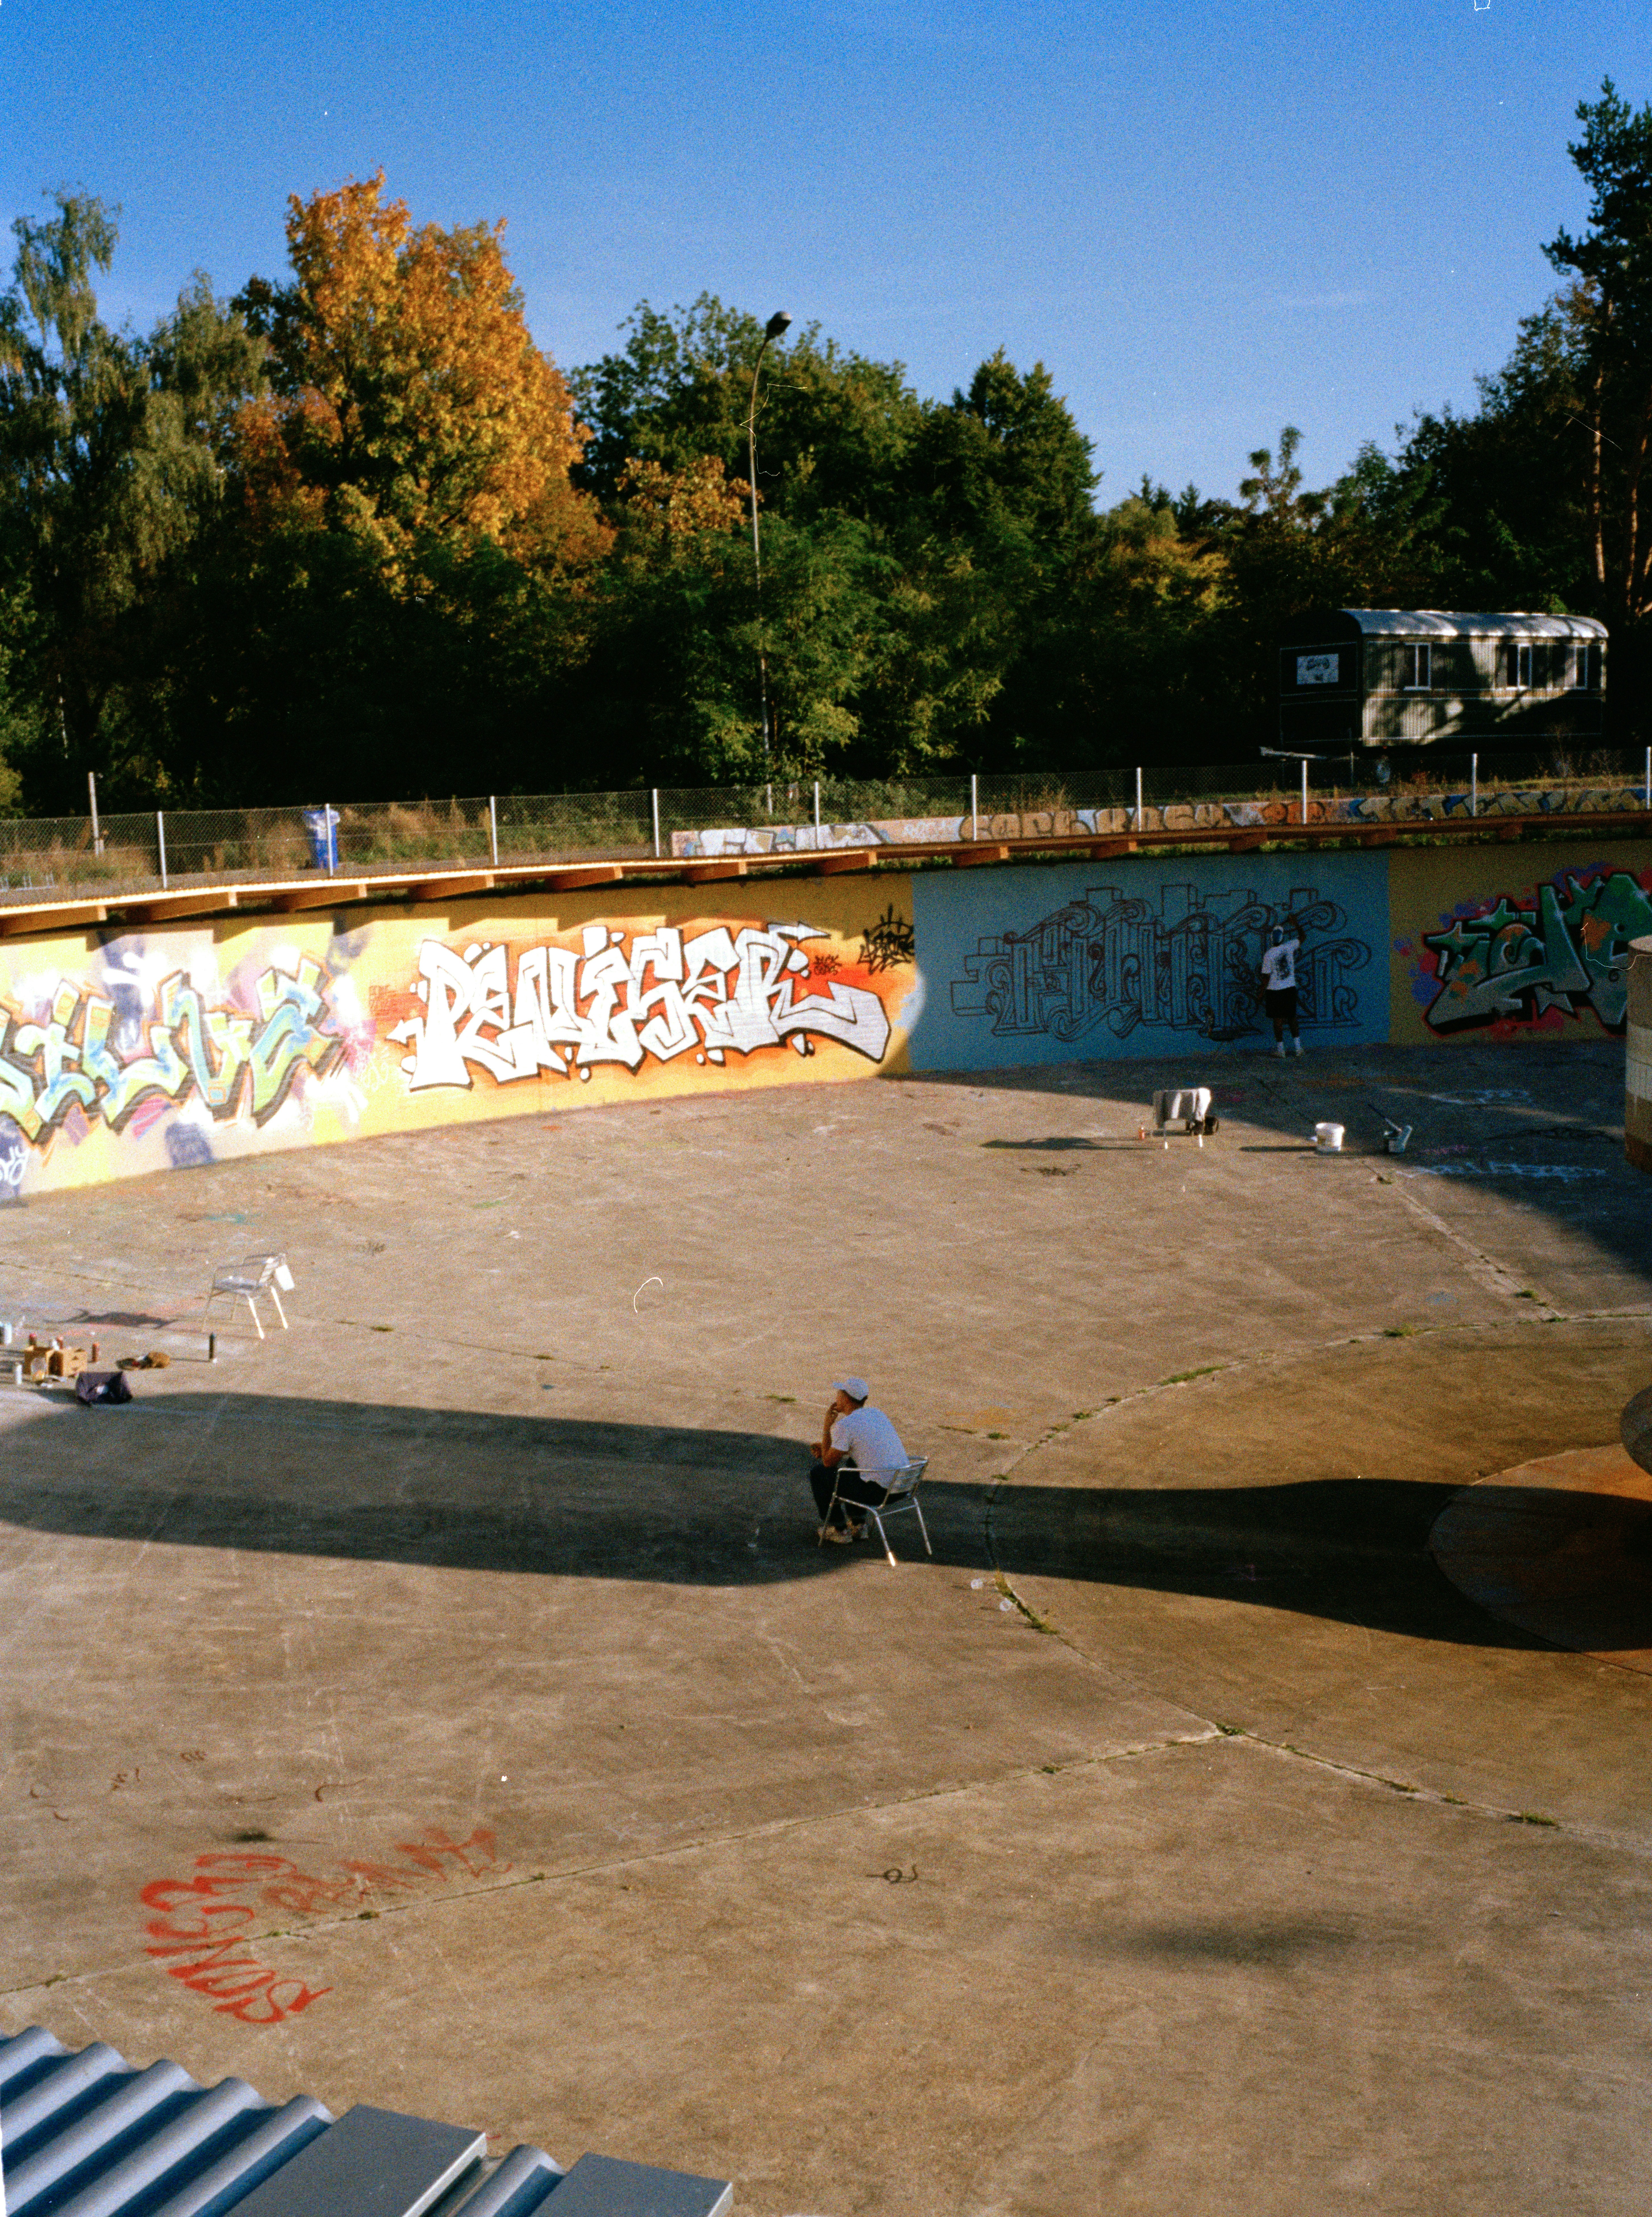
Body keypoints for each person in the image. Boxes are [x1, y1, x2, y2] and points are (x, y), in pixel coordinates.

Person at [808, 1377, 909, 1543]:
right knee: (853, 1464)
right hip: (902, 1487)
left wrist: (827, 1426)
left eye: (839, 1394)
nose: (836, 1398)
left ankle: (839, 1529)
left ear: (846, 1399)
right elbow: (865, 1448)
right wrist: (830, 1449)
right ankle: (859, 1525)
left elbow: (828, 1463)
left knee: (820, 1474)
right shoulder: (878, 1414)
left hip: (880, 1493)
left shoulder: (846, 1425)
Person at [1261, 918, 1303, 1057]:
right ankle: (1298, 1049)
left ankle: (1281, 1050)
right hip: (1290, 989)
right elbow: (1303, 937)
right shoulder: (1289, 947)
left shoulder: (1268, 955)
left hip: (1274, 991)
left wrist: (1260, 994)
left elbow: (1266, 977)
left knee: (1278, 1021)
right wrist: (1295, 924)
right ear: (1283, 937)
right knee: (1292, 1018)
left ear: (1271, 938)